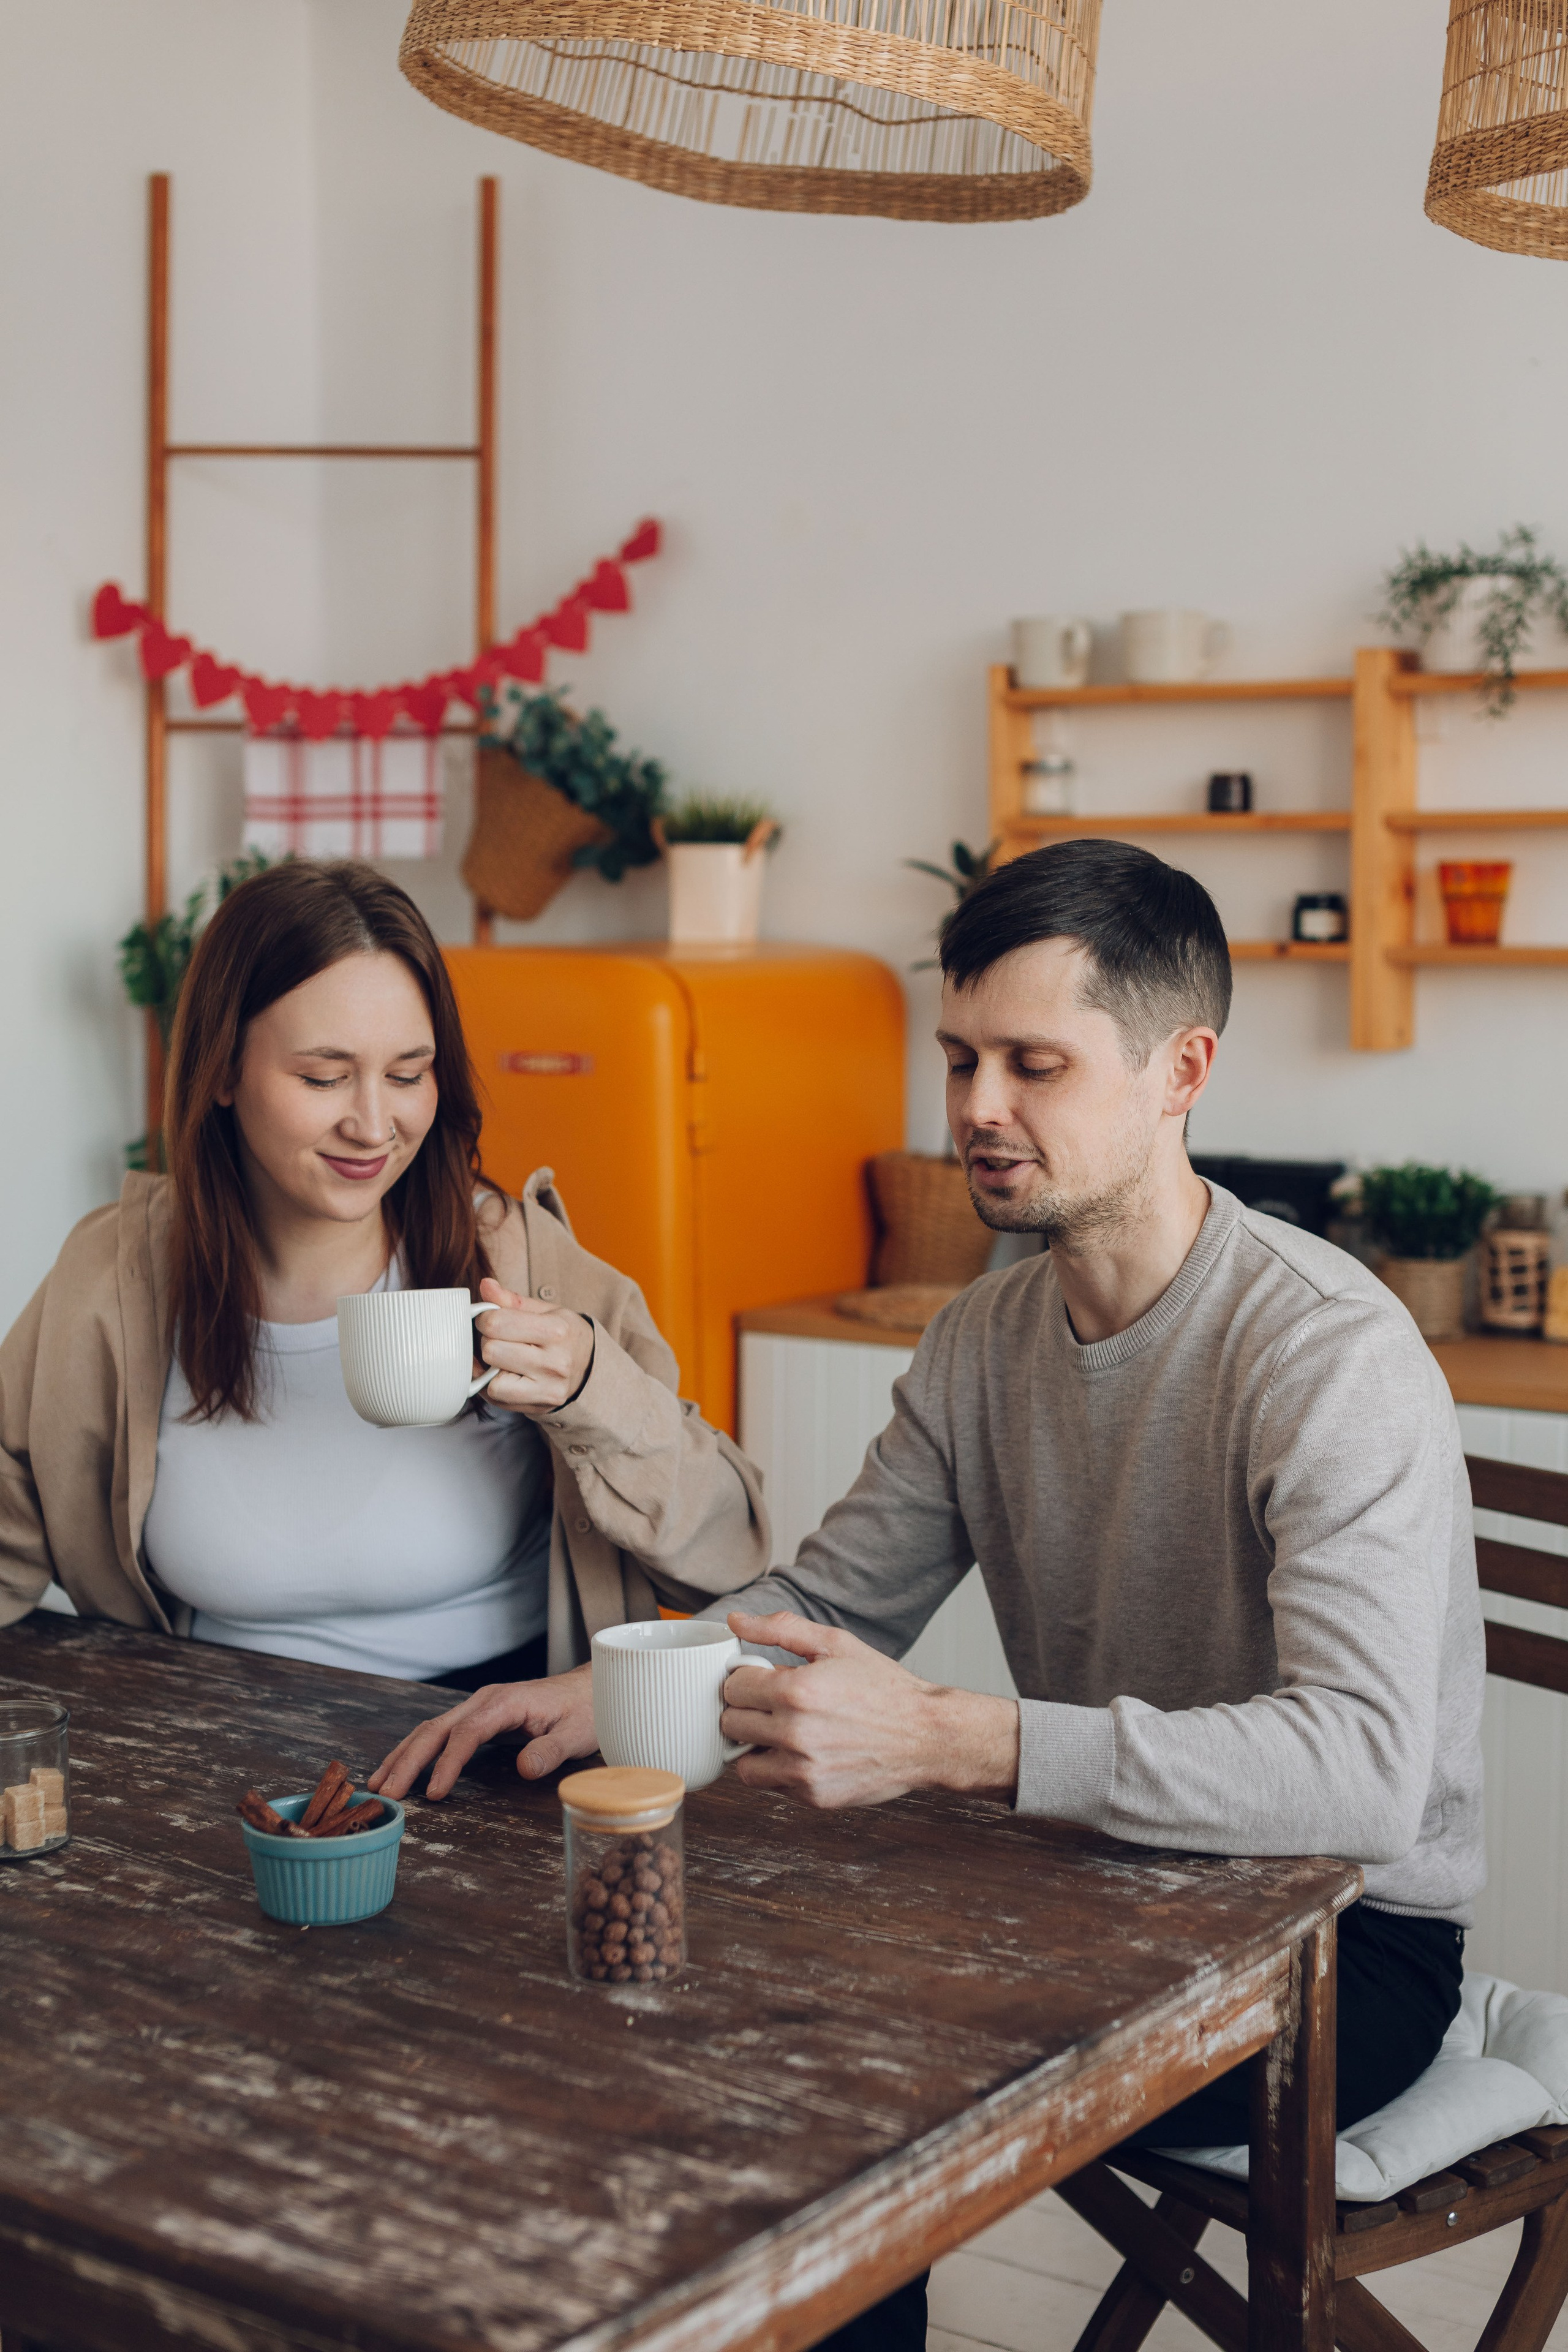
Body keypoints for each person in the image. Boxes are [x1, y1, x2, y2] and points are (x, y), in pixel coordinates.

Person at [375, 838, 1485, 2352]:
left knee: (836, 2065)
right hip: (1103, 1882)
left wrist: (964, 1744)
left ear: (1180, 1072)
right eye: (959, 1056)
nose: (972, 1107)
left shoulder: (1322, 1356)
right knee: (696, 1977)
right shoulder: (983, 1338)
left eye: (1033, 1062)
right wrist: (612, 1680)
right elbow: (831, 1595)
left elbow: (1365, 1778)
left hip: (1341, 1945)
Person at [0, 861, 768, 1685]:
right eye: (324, 1077)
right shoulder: (116, 1277)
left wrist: (592, 1391)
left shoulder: (518, 1261)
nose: (374, 1125)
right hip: (210, 1741)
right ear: (222, 1071)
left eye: (408, 1075)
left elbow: (729, 1555)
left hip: (496, 1741)